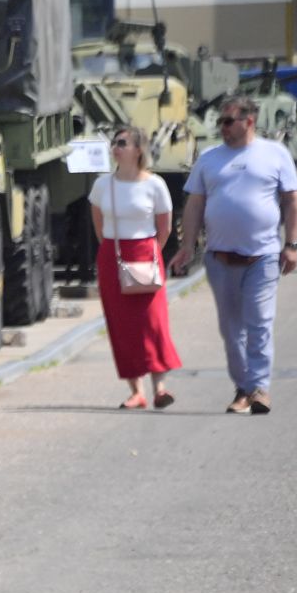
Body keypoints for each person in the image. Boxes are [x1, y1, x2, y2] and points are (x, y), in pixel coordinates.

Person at [169, 93, 297, 414]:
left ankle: (258, 389)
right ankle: (242, 387)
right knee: (231, 331)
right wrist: (187, 245)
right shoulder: (209, 158)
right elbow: (195, 205)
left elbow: (292, 199)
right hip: (220, 259)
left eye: (229, 121)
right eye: (220, 121)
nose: (223, 127)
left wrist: (292, 244)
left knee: (259, 323)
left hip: (264, 257)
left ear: (249, 121)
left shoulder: (275, 154)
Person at [88, 125, 181, 408]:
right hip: (113, 255)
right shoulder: (102, 184)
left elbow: (165, 228)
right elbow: (98, 225)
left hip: (145, 253)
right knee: (121, 324)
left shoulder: (155, 185)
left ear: (138, 149)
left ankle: (160, 388)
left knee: (153, 323)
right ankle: (135, 390)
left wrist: (151, 253)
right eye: (114, 143)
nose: (115, 147)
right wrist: (114, 249)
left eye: (122, 143)